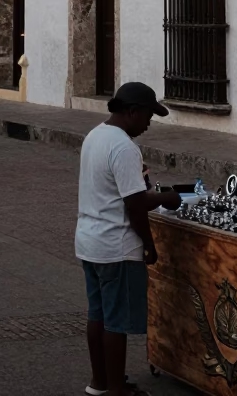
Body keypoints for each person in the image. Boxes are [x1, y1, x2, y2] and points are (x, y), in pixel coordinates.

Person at [75, 81, 181, 396]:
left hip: (89, 240)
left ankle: (99, 383)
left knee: (98, 315)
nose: (149, 124)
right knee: (116, 322)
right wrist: (165, 199)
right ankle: (117, 389)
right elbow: (135, 205)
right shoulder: (123, 147)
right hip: (115, 245)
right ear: (132, 112)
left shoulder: (95, 135)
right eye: (148, 116)